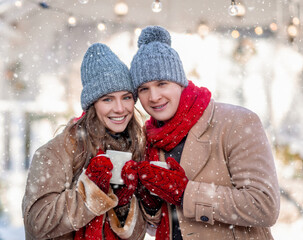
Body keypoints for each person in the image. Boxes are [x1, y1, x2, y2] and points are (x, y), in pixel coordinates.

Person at [130, 26, 280, 240]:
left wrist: (185, 193)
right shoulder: (151, 138)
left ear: (180, 83)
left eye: (162, 84)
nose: (153, 97)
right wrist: (150, 202)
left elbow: (264, 205)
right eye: (143, 89)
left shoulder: (236, 122)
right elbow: (165, 224)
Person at [22, 43, 147, 240]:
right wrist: (91, 192)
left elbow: (139, 234)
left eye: (126, 97)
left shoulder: (134, 147)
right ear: (92, 104)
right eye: (107, 99)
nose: (120, 108)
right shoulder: (56, 151)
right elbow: (37, 222)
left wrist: (123, 206)